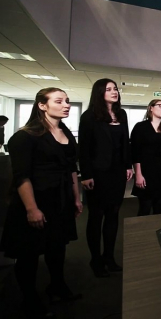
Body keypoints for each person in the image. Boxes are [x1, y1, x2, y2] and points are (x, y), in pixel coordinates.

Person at [0, 88, 83, 318]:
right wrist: (31, 209)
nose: (66, 104)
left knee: (57, 248)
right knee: (28, 254)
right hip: (36, 201)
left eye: (67, 101)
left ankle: (57, 287)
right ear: (42, 105)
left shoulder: (66, 132)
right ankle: (29, 301)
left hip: (60, 200)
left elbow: (71, 170)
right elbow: (22, 176)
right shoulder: (25, 136)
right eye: (59, 101)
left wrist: (76, 198)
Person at [79, 78, 133, 278]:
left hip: (117, 172)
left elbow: (125, 142)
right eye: (109, 89)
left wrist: (128, 165)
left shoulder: (122, 114)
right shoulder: (89, 116)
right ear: (99, 92)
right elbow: (83, 149)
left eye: (115, 88)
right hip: (97, 172)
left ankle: (109, 257)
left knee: (113, 214)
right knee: (96, 216)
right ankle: (96, 259)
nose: (114, 91)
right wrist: (86, 175)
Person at [130, 100, 161, 216]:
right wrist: (138, 174)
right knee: (145, 208)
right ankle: (142, 234)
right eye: (160, 106)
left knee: (159, 208)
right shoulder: (140, 127)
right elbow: (136, 152)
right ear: (151, 108)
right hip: (147, 172)